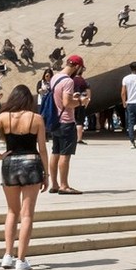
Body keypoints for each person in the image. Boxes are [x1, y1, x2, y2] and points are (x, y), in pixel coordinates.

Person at [0, 84, 48, 270]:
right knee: (27, 214)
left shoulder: (4, 117)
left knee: (12, 211)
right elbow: (42, 149)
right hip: (31, 162)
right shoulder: (36, 118)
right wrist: (47, 174)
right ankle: (21, 259)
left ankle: (7, 255)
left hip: (10, 163)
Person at [47, 55, 89, 194]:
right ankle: (64, 186)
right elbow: (67, 103)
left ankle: (54, 184)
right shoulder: (68, 81)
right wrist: (81, 101)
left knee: (55, 152)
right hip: (66, 121)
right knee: (65, 154)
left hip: (56, 120)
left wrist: (73, 97)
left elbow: (59, 98)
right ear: (77, 66)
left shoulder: (55, 77)